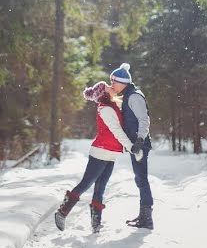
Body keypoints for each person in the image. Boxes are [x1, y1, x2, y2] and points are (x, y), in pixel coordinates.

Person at [54, 81, 142, 233]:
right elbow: (116, 131)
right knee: (85, 185)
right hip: (100, 153)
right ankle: (62, 213)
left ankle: (96, 224)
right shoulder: (106, 109)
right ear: (104, 93)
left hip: (110, 154)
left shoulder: (113, 106)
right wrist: (131, 147)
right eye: (108, 86)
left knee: (100, 189)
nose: (111, 86)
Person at [109, 62, 154, 230]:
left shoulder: (134, 96)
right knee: (139, 178)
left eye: (114, 82)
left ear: (122, 82)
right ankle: (144, 215)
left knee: (141, 179)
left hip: (139, 144)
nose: (112, 85)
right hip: (135, 145)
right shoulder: (127, 95)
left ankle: (147, 218)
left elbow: (144, 119)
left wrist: (140, 140)